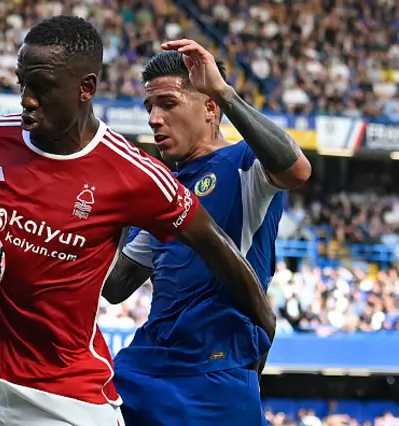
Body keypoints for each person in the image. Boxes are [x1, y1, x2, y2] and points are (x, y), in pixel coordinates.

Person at [0, 18, 273, 426]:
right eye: (23, 84)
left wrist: (263, 324)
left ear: (86, 89)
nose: (28, 98)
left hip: (70, 398)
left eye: (42, 86)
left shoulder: (135, 175)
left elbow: (214, 244)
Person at [102, 41, 312, 426]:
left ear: (210, 108)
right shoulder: (163, 188)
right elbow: (116, 287)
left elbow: (297, 170)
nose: (153, 119)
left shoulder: (244, 165)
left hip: (216, 366)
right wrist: (112, 211)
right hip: (146, 363)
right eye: (150, 107)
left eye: (167, 103)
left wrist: (224, 92)